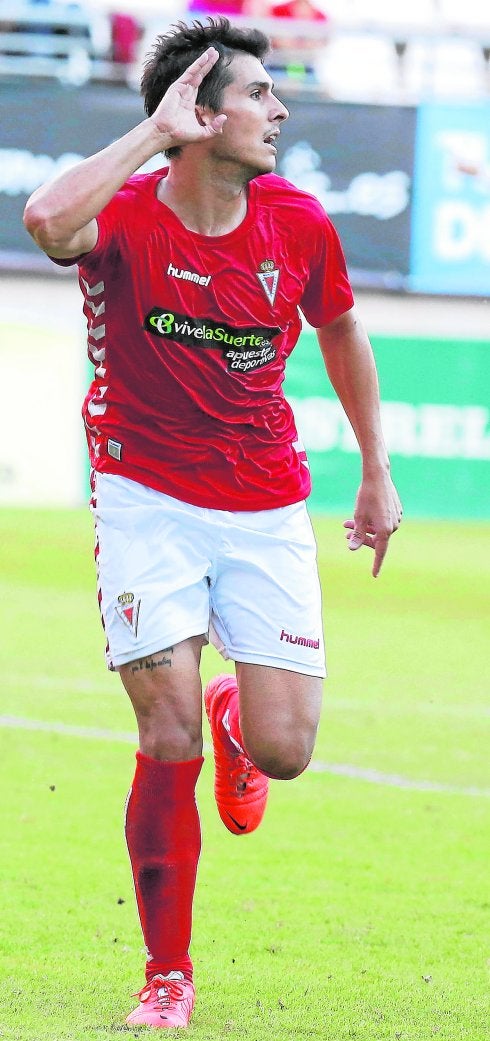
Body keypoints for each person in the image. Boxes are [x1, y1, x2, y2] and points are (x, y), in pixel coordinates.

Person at [23, 16, 402, 1029]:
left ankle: (241, 717)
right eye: (257, 95)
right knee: (165, 730)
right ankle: (167, 976)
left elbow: (341, 328)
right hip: (143, 497)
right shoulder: (124, 215)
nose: (280, 110)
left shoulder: (298, 223)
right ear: (197, 113)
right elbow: (46, 221)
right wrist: (153, 133)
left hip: (264, 502)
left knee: (285, 751)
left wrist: (375, 469)